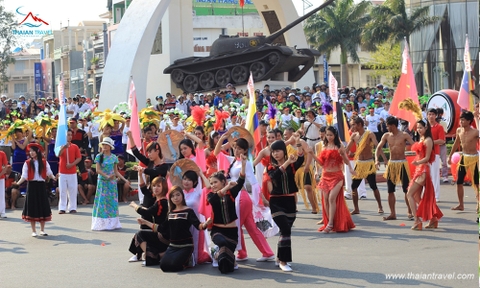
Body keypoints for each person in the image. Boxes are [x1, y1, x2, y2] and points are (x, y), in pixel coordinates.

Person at [214, 134, 274, 263]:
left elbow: (252, 182)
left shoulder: (245, 163)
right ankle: (266, 252)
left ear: (245, 150)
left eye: (239, 149)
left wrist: (260, 198)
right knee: (251, 227)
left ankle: (241, 252)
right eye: (235, 148)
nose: (236, 150)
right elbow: (216, 152)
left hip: (242, 196)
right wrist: (222, 138)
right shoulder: (234, 161)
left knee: (235, 225)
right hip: (237, 197)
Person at [138, 186, 211, 272]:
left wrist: (206, 223)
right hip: (173, 246)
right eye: (172, 196)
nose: (175, 198)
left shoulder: (188, 211)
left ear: (182, 196)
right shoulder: (171, 213)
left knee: (174, 266)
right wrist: (145, 222)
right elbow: (161, 228)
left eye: (177, 195)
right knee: (164, 266)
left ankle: (188, 259)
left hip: (186, 246)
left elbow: (198, 226)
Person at [267, 138, 304, 272]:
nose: (275, 154)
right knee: (285, 228)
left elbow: (301, 158)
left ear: (284, 151)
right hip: (276, 202)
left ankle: (279, 257)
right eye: (273, 152)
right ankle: (284, 261)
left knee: (285, 230)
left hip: (289, 201)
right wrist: (287, 162)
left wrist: (298, 142)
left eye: (278, 151)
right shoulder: (270, 166)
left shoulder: (293, 165)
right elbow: (275, 176)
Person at [206, 155, 247, 273]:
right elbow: (213, 200)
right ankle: (218, 252)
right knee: (223, 245)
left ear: (223, 182)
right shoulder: (211, 195)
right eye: (211, 183)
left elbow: (240, 182)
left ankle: (219, 254)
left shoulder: (231, 194)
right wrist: (227, 187)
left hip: (232, 232)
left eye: (215, 182)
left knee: (227, 265)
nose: (213, 185)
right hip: (217, 231)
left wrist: (243, 166)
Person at [314, 126, 355, 233]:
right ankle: (329, 223)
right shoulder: (324, 146)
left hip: (337, 176)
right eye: (327, 135)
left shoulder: (339, 146)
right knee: (326, 200)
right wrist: (313, 157)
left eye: (331, 135)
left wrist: (350, 169)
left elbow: (346, 160)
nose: (329, 137)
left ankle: (331, 223)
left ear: (335, 135)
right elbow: (321, 163)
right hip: (325, 176)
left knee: (332, 198)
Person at [376, 116, 415, 221]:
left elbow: (415, 146)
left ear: (393, 125)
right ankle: (393, 213)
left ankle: (410, 211)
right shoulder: (386, 135)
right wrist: (376, 159)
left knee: (406, 189)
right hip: (392, 164)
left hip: (402, 164)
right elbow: (378, 148)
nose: (386, 127)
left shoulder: (404, 135)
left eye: (388, 125)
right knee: (390, 190)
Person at [407, 120, 443, 230]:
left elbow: (427, 158)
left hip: (423, 170)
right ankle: (433, 218)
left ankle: (417, 221)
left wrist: (418, 162)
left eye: (421, 128)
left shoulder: (428, 140)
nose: (418, 130)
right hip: (419, 169)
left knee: (409, 194)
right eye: (417, 128)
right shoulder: (421, 138)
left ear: (426, 128)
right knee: (417, 196)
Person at [128, 173, 169, 265]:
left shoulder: (162, 202)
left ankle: (149, 256)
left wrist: (135, 206)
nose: (156, 188)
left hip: (162, 234)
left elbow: (147, 212)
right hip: (159, 230)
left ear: (164, 187)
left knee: (140, 234)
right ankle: (138, 254)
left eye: (159, 186)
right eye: (154, 186)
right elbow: (150, 210)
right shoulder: (159, 201)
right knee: (142, 230)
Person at [16, 143, 56, 236]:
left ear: (37, 152)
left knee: (42, 206)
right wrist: (17, 184)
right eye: (30, 151)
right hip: (32, 186)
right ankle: (33, 231)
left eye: (33, 151)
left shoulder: (44, 162)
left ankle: (42, 230)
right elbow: (24, 176)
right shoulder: (27, 163)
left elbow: (49, 173)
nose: (31, 153)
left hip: (41, 185)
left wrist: (54, 177)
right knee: (32, 208)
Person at [346, 117, 384, 215]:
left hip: (369, 163)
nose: (352, 127)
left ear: (359, 125)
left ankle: (380, 206)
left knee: (373, 186)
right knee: (354, 186)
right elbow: (346, 150)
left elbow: (378, 147)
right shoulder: (354, 136)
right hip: (359, 163)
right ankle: (356, 208)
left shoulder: (369, 134)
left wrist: (379, 159)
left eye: (353, 124)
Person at [91, 137, 130, 231]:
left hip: (112, 183)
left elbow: (116, 171)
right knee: (102, 202)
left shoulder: (113, 157)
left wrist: (125, 180)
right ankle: (100, 223)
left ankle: (112, 223)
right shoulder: (99, 156)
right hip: (102, 182)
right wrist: (106, 176)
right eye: (103, 144)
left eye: (106, 145)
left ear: (110, 146)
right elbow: (98, 170)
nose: (104, 146)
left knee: (112, 202)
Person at [448, 111, 479, 217]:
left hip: (473, 158)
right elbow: (456, 143)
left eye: (463, 120)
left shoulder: (475, 132)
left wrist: (476, 118)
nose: (461, 122)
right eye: (460, 119)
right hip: (463, 157)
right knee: (459, 181)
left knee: (476, 183)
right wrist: (450, 156)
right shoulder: (459, 130)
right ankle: (461, 204)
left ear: (469, 121)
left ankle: (479, 204)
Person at [57, 130, 82, 214]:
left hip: (72, 172)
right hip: (62, 172)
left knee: (73, 190)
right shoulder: (61, 146)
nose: (70, 136)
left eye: (71, 135)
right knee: (63, 190)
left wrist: (72, 164)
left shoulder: (75, 146)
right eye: (68, 135)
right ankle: (62, 207)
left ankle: (72, 207)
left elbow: (79, 158)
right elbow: (58, 154)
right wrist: (64, 147)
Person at [426, 108, 445, 201]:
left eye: (433, 114)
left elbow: (442, 140)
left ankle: (436, 196)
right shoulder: (424, 127)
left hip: (435, 153)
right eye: (429, 114)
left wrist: (430, 142)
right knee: (425, 175)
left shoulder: (439, 127)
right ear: (427, 115)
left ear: (436, 115)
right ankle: (427, 194)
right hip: (425, 154)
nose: (431, 116)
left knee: (435, 175)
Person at [0, 150, 8, 218]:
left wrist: (0, 174)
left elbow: (6, 166)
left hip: (1, 177)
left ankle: (2, 212)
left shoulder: (2, 153)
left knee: (1, 195)